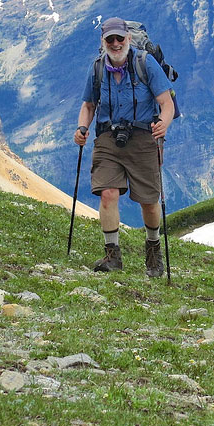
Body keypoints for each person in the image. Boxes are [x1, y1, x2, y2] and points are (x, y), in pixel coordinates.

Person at [73, 17, 175, 277]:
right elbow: (88, 106)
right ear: (103, 42)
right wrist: (82, 129)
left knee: (149, 201)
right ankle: (112, 255)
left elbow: (166, 103)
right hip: (108, 137)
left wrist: (163, 124)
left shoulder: (145, 64)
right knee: (107, 193)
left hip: (143, 136)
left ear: (128, 39)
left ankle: (153, 251)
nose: (116, 44)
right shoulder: (96, 68)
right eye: (110, 39)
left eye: (120, 38)